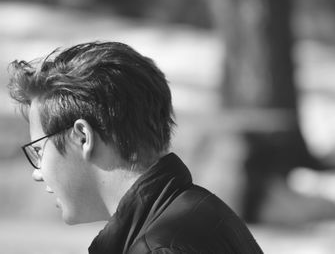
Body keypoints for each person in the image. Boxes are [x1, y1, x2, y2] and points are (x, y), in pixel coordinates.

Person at [8, 41, 263, 254]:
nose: (37, 172)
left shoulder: (160, 246)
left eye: (40, 151)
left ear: (83, 137)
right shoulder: (199, 214)